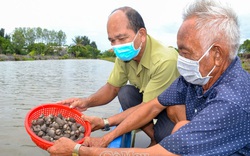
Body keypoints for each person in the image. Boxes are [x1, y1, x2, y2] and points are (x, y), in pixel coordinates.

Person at [48, 0, 250, 155]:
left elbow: (156, 154)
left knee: (177, 130)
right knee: (180, 126)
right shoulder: (197, 76)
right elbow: (151, 106)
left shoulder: (231, 101)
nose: (180, 59)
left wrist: (78, 150)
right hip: (194, 130)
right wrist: (105, 130)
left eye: (185, 52)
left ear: (217, 55)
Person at [59, 6, 180, 145]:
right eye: (112, 40)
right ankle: (153, 137)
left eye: (121, 38)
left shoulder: (165, 60)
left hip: (170, 109)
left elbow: (148, 108)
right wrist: (86, 102)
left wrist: (105, 127)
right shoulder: (124, 56)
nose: (117, 46)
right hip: (148, 102)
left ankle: (159, 138)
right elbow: (112, 88)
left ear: (141, 35)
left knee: (166, 134)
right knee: (126, 92)